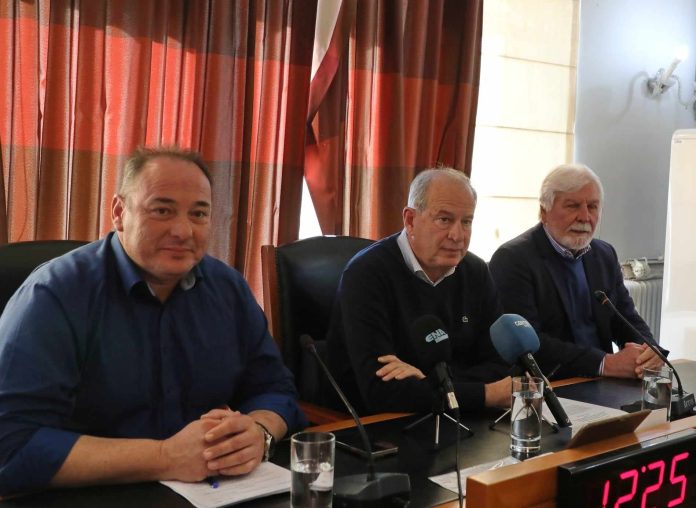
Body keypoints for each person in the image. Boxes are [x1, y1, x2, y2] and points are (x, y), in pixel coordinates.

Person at [0, 147, 305, 497]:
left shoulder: (228, 288)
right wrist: (164, 457)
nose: (183, 231)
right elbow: (11, 445)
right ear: (119, 213)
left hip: (210, 493)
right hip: (89, 495)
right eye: (162, 210)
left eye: (198, 214)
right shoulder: (54, 294)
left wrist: (259, 432)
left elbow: (275, 389)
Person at [326, 168, 511, 416]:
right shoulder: (366, 275)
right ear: (410, 220)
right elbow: (381, 392)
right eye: (444, 220)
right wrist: (484, 393)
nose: (457, 235)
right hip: (379, 425)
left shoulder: (475, 271)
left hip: (461, 417)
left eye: (466, 221)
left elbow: (501, 367)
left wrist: (429, 381)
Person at [489, 163, 664, 380]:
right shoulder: (513, 259)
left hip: (603, 382)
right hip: (550, 384)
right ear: (544, 212)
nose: (584, 217)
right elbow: (528, 344)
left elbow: (626, 318)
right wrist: (604, 363)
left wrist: (650, 351)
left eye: (592, 207)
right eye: (572, 206)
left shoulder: (604, 254)